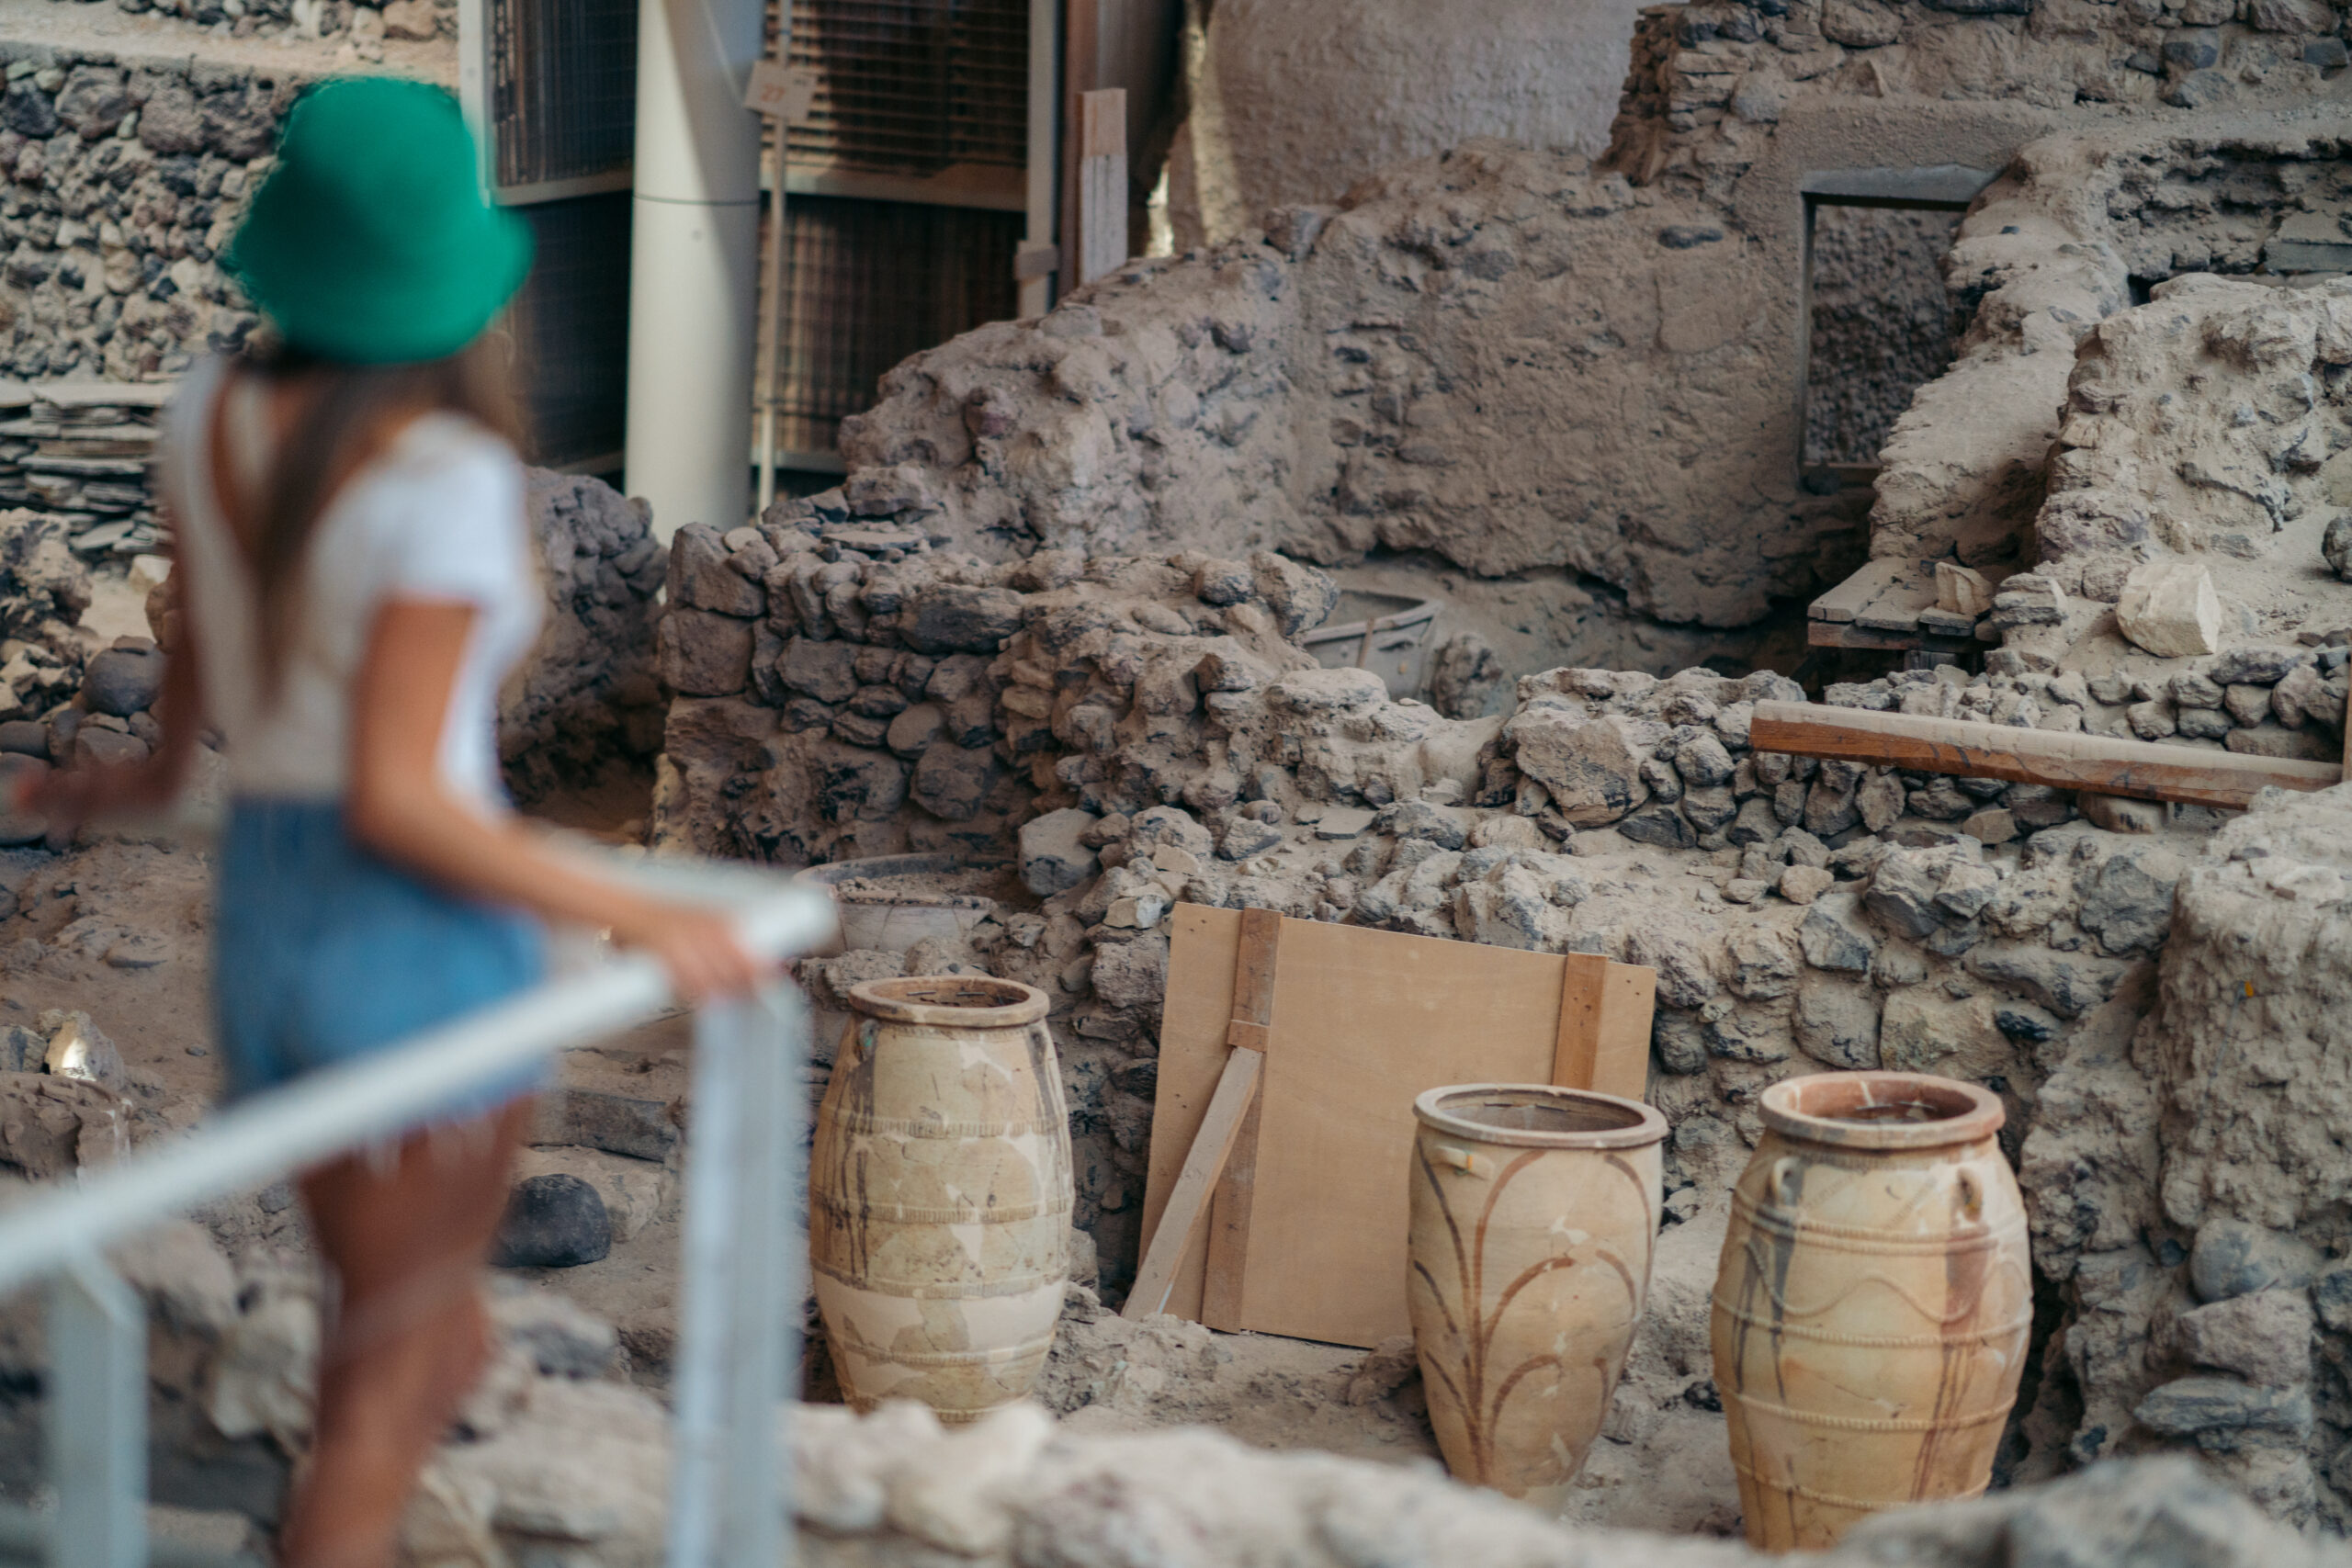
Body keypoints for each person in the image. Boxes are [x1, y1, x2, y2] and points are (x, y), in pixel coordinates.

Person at [24, 78, 763, 1568]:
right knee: (384, 1394)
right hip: (411, 944)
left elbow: (178, 769)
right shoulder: (441, 483)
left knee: (418, 1326)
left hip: (272, 938)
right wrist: (646, 900)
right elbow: (405, 798)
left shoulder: (207, 423)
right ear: (449, 280)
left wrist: (67, 791)